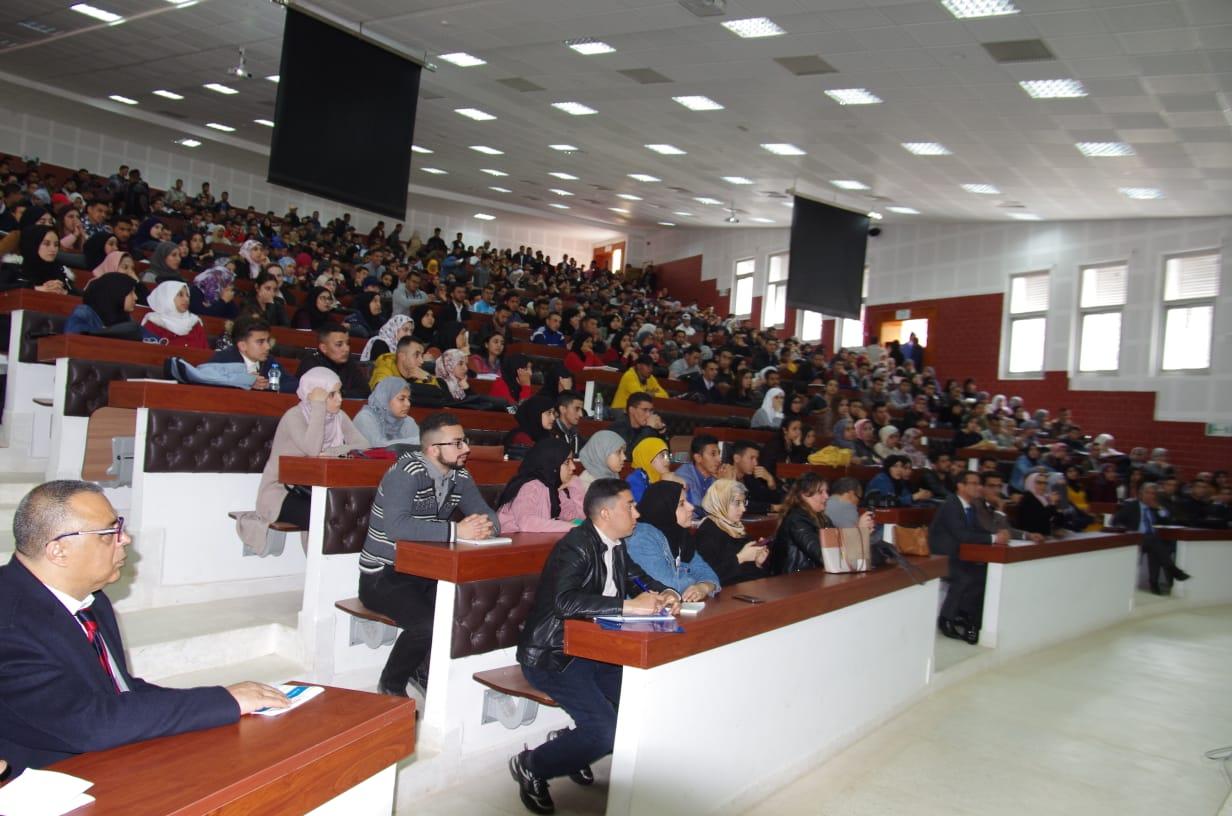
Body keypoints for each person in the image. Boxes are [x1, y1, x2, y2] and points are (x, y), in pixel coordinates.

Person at [0, 481, 290, 773]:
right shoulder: (8, 625)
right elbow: (88, 723)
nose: (124, 538)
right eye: (109, 532)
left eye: (120, 527)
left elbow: (121, 689)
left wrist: (223, 702)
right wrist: (223, 701)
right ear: (59, 551)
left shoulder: (92, 600)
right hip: (47, 780)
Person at [511, 479, 679, 814]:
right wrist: (629, 606)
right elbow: (564, 602)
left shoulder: (616, 544)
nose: (637, 512)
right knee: (605, 732)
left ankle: (571, 745)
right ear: (605, 513)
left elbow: (638, 578)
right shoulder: (575, 546)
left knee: (644, 707)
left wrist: (666, 593)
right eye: (629, 506)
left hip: (597, 650)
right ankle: (531, 764)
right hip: (555, 655)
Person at [360, 413, 500, 696]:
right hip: (383, 573)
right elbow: (396, 527)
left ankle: (421, 670)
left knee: (461, 611)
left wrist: (486, 527)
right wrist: (457, 532)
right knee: (427, 624)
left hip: (426, 571)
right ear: (433, 449)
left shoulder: (459, 475)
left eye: (465, 441)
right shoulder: (407, 472)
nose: (466, 449)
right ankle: (391, 683)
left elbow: (487, 514)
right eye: (458, 443)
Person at [237, 369, 366, 554]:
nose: (339, 399)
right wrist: (318, 407)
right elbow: (312, 450)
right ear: (313, 395)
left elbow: (363, 444)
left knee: (346, 512)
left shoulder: (338, 417)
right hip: (281, 492)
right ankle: (319, 573)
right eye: (331, 394)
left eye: (340, 392)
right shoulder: (294, 416)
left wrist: (332, 452)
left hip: (313, 490)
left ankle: (332, 574)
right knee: (325, 516)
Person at [929, 470, 1008, 644]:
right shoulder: (951, 505)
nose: (978, 487)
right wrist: (994, 538)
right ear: (960, 486)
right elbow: (962, 535)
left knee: (983, 574)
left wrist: (998, 534)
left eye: (979, 483)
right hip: (942, 557)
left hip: (960, 556)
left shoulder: (970, 506)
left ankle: (965, 615)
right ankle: (946, 619)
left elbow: (979, 530)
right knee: (964, 577)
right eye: (973, 483)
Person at [625, 481, 721, 598]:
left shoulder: (681, 534)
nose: (691, 507)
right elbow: (666, 587)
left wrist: (703, 587)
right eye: (681, 504)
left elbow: (707, 572)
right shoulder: (642, 538)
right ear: (663, 508)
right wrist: (698, 582)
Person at [771, 473, 875, 575]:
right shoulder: (796, 520)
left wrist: (861, 533)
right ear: (804, 495)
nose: (826, 496)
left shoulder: (823, 518)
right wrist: (858, 532)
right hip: (794, 580)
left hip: (811, 575)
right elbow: (824, 555)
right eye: (820, 492)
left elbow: (838, 547)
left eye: (826, 492)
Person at [1111, 482, 1191, 595]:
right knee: (1155, 542)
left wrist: (1159, 508)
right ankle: (1172, 570)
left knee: (1156, 547)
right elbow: (1115, 521)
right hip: (1135, 539)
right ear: (1140, 494)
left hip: (1151, 541)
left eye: (1153, 494)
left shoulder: (1155, 507)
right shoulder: (1132, 506)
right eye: (1147, 493)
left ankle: (1154, 584)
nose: (1150, 496)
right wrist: (1126, 531)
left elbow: (1168, 521)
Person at [497, 438, 585, 533]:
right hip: (510, 542)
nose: (573, 467)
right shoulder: (530, 487)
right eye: (567, 462)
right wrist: (570, 526)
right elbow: (527, 523)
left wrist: (575, 485)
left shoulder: (554, 489)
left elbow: (578, 519)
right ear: (552, 463)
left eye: (572, 461)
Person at [693, 479, 768, 586]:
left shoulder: (737, 528)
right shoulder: (708, 532)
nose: (743, 509)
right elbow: (708, 576)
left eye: (744, 502)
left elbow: (749, 573)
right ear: (721, 502)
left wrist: (758, 562)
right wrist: (741, 558)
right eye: (737, 503)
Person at [208, 317, 297, 393]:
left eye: (267, 341)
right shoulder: (223, 359)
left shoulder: (269, 361)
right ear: (243, 345)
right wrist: (242, 380)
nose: (267, 347)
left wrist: (269, 385)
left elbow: (294, 385)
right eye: (260, 342)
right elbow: (205, 380)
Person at [295, 323, 370, 399]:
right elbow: (322, 395)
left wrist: (340, 393)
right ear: (323, 348)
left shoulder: (349, 363)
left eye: (347, 343)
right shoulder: (311, 364)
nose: (346, 349)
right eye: (339, 344)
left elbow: (365, 392)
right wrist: (342, 393)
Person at [675, 434, 734, 519]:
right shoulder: (683, 476)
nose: (719, 459)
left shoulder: (716, 476)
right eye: (713, 454)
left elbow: (733, 510)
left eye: (719, 454)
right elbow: (697, 511)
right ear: (698, 458)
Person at [353, 377, 421, 447]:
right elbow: (377, 447)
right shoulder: (365, 418)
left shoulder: (407, 421)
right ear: (385, 398)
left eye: (408, 399)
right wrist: (416, 441)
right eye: (402, 399)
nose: (408, 404)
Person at [140, 280, 209, 348]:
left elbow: (206, 353)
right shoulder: (153, 323)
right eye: (180, 295)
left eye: (187, 295)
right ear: (167, 298)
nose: (186, 299)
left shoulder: (195, 323)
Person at [64, 272, 138, 335]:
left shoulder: (126, 317)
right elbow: (72, 334)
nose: (136, 297)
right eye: (131, 292)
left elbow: (146, 338)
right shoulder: (84, 312)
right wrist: (107, 332)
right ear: (117, 293)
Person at [728, 440, 782, 515]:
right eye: (751, 458)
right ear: (737, 458)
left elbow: (769, 500)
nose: (756, 463)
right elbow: (739, 504)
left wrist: (771, 482)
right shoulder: (725, 477)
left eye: (756, 459)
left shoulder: (750, 478)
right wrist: (772, 507)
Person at [626, 436, 684, 502]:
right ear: (647, 457)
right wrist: (666, 485)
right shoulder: (634, 480)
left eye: (667, 455)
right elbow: (646, 508)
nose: (667, 460)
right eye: (662, 455)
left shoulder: (669, 476)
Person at [575, 430, 625, 499]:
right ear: (601, 452)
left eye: (623, 452)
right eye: (618, 452)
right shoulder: (586, 484)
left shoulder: (613, 476)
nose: (624, 457)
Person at [866, 455, 931, 507]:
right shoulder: (881, 479)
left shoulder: (899, 481)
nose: (899, 470)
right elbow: (891, 502)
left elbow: (906, 497)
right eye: (895, 466)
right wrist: (915, 496)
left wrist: (922, 495)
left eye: (901, 466)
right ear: (888, 468)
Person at [1017, 471, 1060, 536]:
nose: (1043, 486)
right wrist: (1052, 504)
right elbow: (1041, 520)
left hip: (1047, 534)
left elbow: (1057, 519)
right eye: (1039, 483)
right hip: (1032, 536)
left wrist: (1057, 506)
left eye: (1045, 483)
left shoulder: (1045, 497)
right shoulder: (1027, 499)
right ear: (1030, 483)